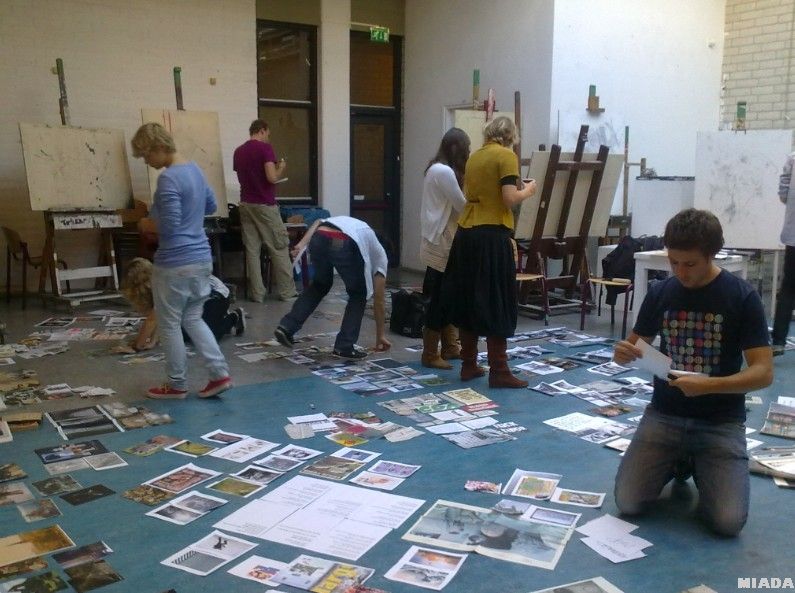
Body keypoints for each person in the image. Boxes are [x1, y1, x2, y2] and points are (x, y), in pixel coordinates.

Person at [613, 208, 773, 537]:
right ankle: (680, 460)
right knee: (628, 502)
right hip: (665, 414)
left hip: (719, 422)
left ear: (711, 255)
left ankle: (699, 464)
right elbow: (634, 346)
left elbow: (763, 373)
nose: (680, 272)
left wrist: (709, 386)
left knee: (728, 522)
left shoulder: (741, 297)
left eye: (690, 264)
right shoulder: (661, 293)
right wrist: (623, 354)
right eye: (674, 262)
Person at [130, 122, 233, 400]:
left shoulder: (169, 179)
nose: (147, 162)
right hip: (201, 258)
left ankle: (176, 384)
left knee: (169, 324)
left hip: (175, 263)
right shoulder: (195, 170)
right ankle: (219, 374)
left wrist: (145, 224)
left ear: (158, 147)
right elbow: (211, 205)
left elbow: (170, 226)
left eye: (146, 155)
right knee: (193, 318)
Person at [442, 116, 537, 387]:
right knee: (497, 299)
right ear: (510, 136)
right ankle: (499, 370)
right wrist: (528, 190)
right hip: (492, 236)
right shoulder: (506, 156)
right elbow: (509, 198)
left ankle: (469, 365)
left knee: (469, 298)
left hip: (466, 234)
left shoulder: (475, 157)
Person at [273, 215, 391, 359]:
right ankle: (344, 346)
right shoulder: (380, 253)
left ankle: (287, 327)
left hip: (318, 238)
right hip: (341, 241)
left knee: (319, 285)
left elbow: (318, 222)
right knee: (358, 294)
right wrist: (380, 336)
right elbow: (379, 299)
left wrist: (301, 244)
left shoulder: (358, 226)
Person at [419, 127, 470, 370]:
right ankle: (430, 353)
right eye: (466, 149)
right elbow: (462, 205)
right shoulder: (444, 171)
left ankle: (450, 346)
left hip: (438, 239)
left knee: (447, 293)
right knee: (440, 295)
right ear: (456, 148)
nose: (468, 154)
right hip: (442, 241)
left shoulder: (435, 168)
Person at [119, 257, 245, 352]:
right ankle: (217, 318)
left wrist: (137, 346)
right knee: (183, 334)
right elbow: (161, 315)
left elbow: (152, 320)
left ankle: (234, 317)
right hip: (200, 297)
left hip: (216, 294)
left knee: (209, 335)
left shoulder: (163, 284)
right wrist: (152, 341)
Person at [232, 119, 298, 302]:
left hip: (245, 204)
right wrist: (280, 168)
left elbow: (243, 177)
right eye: (268, 134)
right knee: (279, 246)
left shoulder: (238, 151)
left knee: (252, 250)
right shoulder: (265, 149)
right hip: (265, 205)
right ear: (262, 130)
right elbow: (271, 177)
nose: (268, 137)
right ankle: (287, 292)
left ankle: (257, 293)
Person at [771, 150, 795, 355]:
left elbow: (783, 193)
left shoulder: (793, 158)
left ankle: (778, 341)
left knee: (788, 288)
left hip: (794, 235)